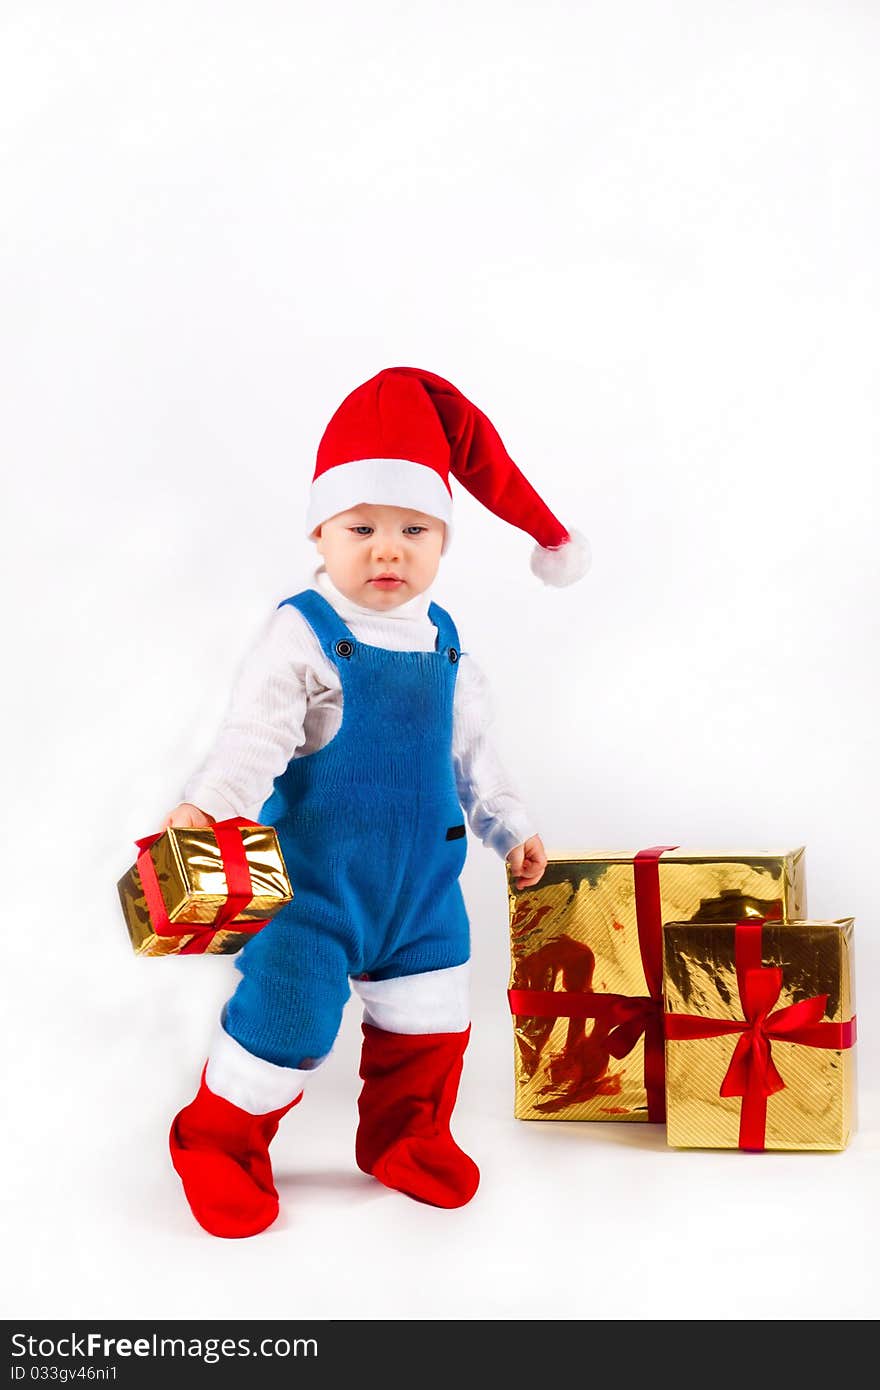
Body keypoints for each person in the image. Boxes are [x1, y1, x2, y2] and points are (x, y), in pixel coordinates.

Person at [162, 366, 589, 1237]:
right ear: (320, 531)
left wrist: (512, 829)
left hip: (423, 893)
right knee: (284, 1021)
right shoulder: (304, 631)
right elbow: (256, 736)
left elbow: (477, 759)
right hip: (313, 890)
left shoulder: (448, 644)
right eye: (362, 528)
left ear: (443, 541)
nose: (387, 550)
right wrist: (209, 808)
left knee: (432, 1023)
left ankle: (406, 1135)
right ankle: (218, 1142)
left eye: (413, 529)